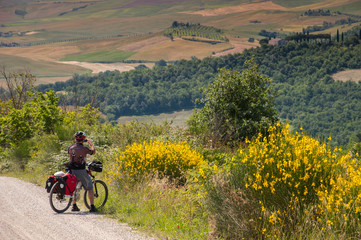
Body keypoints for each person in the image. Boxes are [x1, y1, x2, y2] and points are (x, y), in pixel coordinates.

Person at [68, 131, 96, 212]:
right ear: (83, 139)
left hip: (72, 170)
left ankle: (74, 205)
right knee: (90, 186)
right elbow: (92, 152)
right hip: (81, 170)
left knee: (75, 188)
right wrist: (91, 144)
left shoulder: (70, 147)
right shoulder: (84, 148)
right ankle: (92, 207)